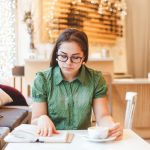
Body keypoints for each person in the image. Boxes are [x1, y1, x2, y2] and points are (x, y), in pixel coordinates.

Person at [31, 28, 123, 140]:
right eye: (63, 56)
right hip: (52, 140)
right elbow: (35, 119)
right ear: (56, 54)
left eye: (75, 57)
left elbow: (102, 116)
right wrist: (42, 118)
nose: (68, 62)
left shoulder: (96, 79)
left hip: (83, 141)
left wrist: (111, 127)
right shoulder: (42, 80)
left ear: (84, 57)